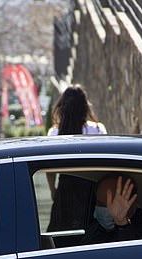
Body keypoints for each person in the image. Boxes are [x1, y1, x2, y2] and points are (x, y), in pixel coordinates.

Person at [46, 85, 106, 231]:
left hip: (65, 193)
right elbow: (105, 164)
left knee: (60, 237)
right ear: (85, 107)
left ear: (62, 107)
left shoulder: (54, 134)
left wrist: (53, 191)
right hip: (91, 192)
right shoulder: (97, 130)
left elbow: (49, 169)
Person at [81, 175, 142, 245]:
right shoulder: (96, 227)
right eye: (99, 204)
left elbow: (135, 254)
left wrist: (122, 224)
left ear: (130, 205)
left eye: (112, 204)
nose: (103, 209)